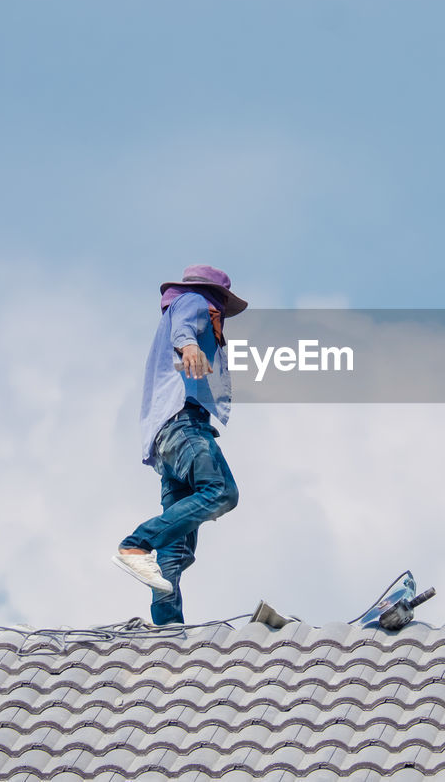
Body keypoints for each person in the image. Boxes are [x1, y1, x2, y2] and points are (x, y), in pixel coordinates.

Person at [112, 264, 247, 625]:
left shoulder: (188, 310)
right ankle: (137, 543)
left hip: (166, 442)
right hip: (182, 425)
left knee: (175, 552)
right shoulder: (194, 302)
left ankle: (167, 633)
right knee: (221, 491)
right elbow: (184, 328)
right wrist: (188, 345)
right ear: (217, 299)